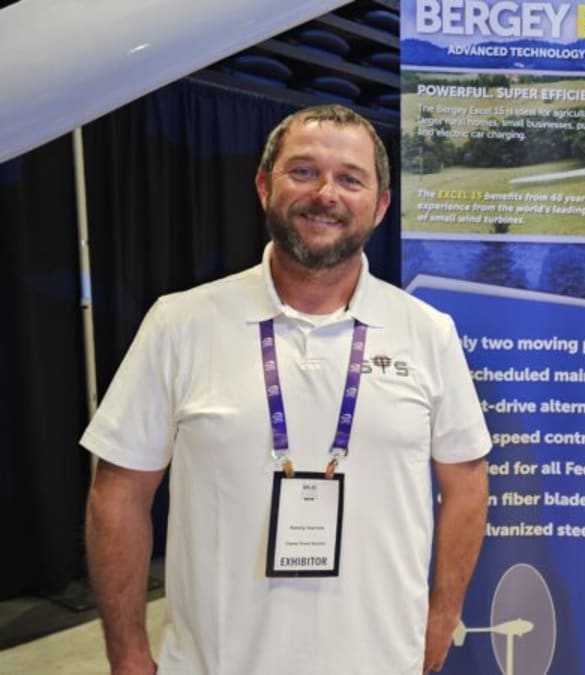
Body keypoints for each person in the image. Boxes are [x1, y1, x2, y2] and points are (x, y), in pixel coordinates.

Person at [83, 104, 491, 675]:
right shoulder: (180, 324)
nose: (326, 193)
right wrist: (127, 654)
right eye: (303, 171)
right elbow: (118, 492)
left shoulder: (427, 332)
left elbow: (467, 484)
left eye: (350, 179)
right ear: (262, 184)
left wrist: (442, 618)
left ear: (379, 206)